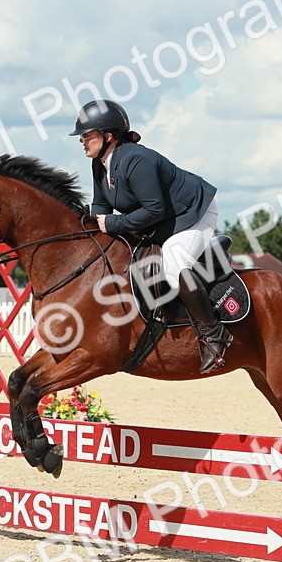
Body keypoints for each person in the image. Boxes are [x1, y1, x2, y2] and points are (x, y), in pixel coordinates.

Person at [71, 99, 231, 373]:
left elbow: (154, 209)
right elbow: (100, 208)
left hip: (193, 213)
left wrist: (113, 222)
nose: (82, 141)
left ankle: (215, 335)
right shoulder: (101, 163)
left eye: (87, 135)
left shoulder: (136, 159)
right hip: (162, 217)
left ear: (108, 136)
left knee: (174, 263)